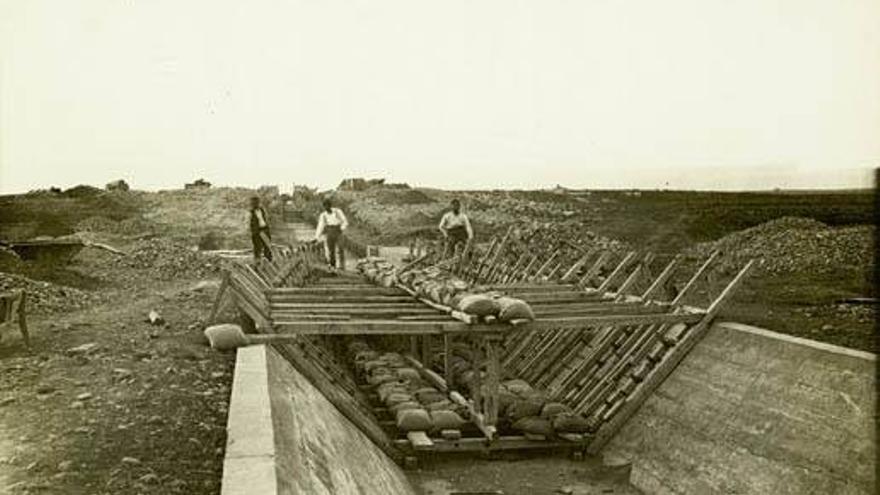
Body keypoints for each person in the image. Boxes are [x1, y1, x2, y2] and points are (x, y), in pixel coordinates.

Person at [315, 198, 349, 269]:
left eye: (328, 206)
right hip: (329, 231)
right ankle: (333, 266)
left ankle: (342, 266)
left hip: (338, 231)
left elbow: (345, 221)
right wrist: (317, 237)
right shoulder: (323, 215)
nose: (326, 208)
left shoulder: (337, 212)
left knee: (340, 248)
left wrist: (342, 228)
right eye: (325, 206)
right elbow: (320, 226)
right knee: (331, 250)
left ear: (330, 205)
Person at [249, 196, 273, 262]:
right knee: (257, 248)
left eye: (257, 203)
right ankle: (257, 262)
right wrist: (255, 232)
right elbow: (251, 224)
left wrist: (267, 228)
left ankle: (269, 261)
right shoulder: (251, 212)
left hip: (264, 229)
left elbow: (265, 219)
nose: (256, 204)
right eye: (254, 203)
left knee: (267, 246)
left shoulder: (262, 210)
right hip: (257, 232)